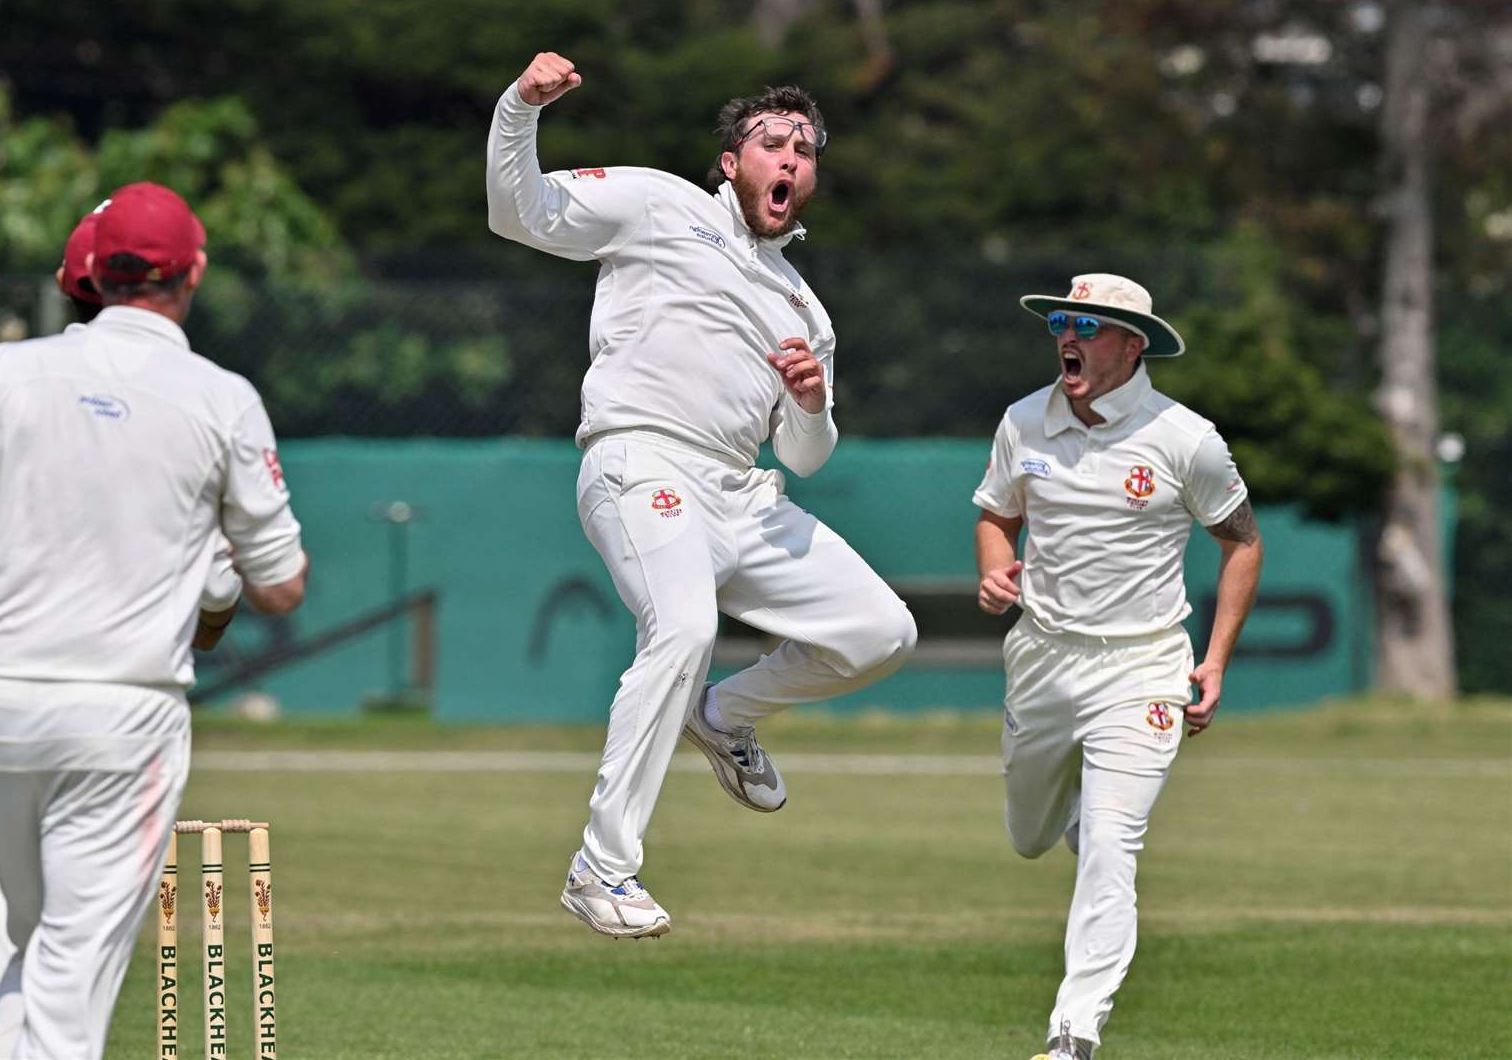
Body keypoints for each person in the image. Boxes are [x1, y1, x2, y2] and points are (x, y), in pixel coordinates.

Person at [487, 52, 917, 939]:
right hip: (640, 459)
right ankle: (600, 869)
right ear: (732, 163)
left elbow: (805, 457)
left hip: (742, 493)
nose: (792, 158)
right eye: (773, 142)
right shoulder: (658, 203)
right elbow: (519, 213)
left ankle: (722, 717)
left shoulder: (807, 310)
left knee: (883, 634)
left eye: (806, 148)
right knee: (683, 626)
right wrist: (519, 107)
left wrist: (810, 401)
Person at [0, 181, 308, 1058]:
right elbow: (274, 588)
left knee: (6, 920)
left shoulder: (5, 374)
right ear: (191, 274)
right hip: (121, 714)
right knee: (69, 969)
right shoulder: (219, 397)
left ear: (85, 275)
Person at [972, 274, 1264, 1060]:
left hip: (1143, 668)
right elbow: (998, 515)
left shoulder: (1185, 438)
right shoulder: (1023, 421)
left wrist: (1215, 660)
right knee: (1031, 836)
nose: (1068, 335)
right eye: (1062, 321)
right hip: (1041, 658)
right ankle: (1071, 815)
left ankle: (1074, 1033)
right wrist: (997, 568)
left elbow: (1242, 541)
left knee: (1111, 844)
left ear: (1132, 345)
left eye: (1089, 326)